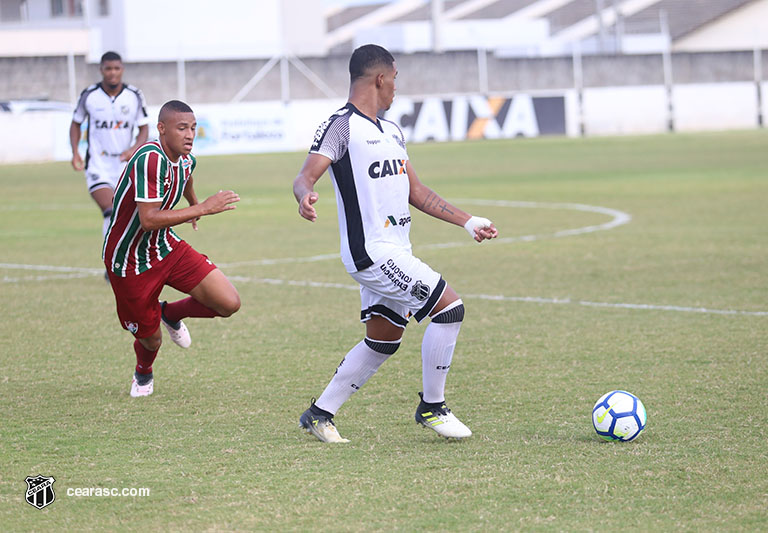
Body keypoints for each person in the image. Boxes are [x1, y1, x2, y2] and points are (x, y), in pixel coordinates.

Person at [292, 44, 498, 443]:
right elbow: (305, 176)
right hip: (372, 252)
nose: (396, 89)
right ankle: (433, 407)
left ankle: (319, 414)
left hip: (396, 250)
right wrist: (304, 195)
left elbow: (416, 192)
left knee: (383, 340)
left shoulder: (392, 131)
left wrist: (467, 221)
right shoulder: (342, 125)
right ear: (380, 79)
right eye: (395, 80)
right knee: (449, 309)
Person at [103, 100, 241, 398]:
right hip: (129, 262)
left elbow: (186, 175)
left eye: (193, 128)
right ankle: (143, 372)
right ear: (162, 129)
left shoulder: (187, 158)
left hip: (164, 247)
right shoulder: (149, 159)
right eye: (182, 128)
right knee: (151, 341)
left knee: (228, 303)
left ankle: (169, 312)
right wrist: (202, 208)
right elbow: (149, 219)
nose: (190, 134)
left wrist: (193, 202)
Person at [70, 51, 149, 252]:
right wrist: (75, 152)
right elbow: (76, 124)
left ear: (122, 69)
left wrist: (134, 149)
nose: (112, 73)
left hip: (124, 166)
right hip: (98, 164)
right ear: (101, 70)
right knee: (110, 210)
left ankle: (124, 257)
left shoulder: (134, 96)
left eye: (116, 68)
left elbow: (144, 129)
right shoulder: (90, 95)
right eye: (108, 69)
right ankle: (111, 259)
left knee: (129, 215)